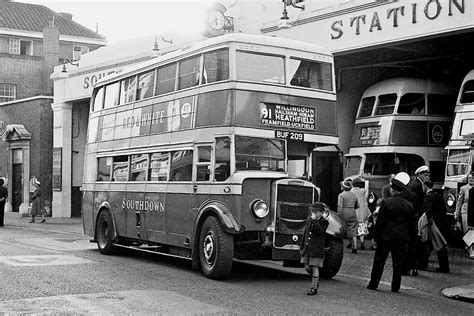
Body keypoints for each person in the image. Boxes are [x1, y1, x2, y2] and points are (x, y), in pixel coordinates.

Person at [367, 176, 415, 293]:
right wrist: (410, 238)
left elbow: (380, 221)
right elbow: (411, 224)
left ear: (392, 190)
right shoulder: (409, 205)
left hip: (385, 237)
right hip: (401, 237)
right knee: (398, 262)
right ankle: (395, 286)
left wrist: (375, 236)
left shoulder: (386, 203)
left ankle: (374, 284)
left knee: (379, 261)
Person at [300, 202, 329, 295]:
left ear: (321, 213)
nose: (314, 214)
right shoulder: (309, 220)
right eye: (313, 211)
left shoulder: (324, 222)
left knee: (315, 267)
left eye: (316, 212)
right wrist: (302, 246)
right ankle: (315, 280)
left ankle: (314, 287)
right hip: (307, 248)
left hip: (317, 249)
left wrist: (315, 221)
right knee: (307, 266)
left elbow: (320, 231)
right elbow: (305, 234)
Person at [421, 180, 450, 272]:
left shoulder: (428, 196)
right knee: (440, 245)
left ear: (425, 186)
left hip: (432, 225)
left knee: (428, 244)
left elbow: (427, 211)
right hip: (440, 223)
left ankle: (422, 264)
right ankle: (444, 266)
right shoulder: (438, 196)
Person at [407, 165, 431, 273]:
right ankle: (415, 264)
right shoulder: (417, 186)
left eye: (428, 174)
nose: (427, 176)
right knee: (417, 241)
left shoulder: (416, 183)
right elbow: (416, 202)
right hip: (416, 216)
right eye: (425, 174)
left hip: (415, 216)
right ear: (419, 174)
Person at [455, 171, 474, 259]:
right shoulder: (463, 188)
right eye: (469, 178)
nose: (471, 180)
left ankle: (469, 247)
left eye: (472, 178)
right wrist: (457, 213)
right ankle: (470, 250)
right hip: (465, 211)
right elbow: (459, 201)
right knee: (467, 231)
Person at [337, 179, 359, 253]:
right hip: (352, 212)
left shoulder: (341, 195)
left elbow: (340, 206)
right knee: (353, 230)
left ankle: (340, 247)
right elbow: (357, 205)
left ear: (343, 187)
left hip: (344, 213)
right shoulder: (354, 195)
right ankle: (355, 247)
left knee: (341, 230)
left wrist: (338, 215)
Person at [352, 178, 371, 250]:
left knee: (354, 229)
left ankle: (354, 245)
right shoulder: (363, 191)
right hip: (362, 212)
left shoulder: (351, 192)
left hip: (354, 212)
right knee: (362, 228)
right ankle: (362, 242)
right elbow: (366, 188)